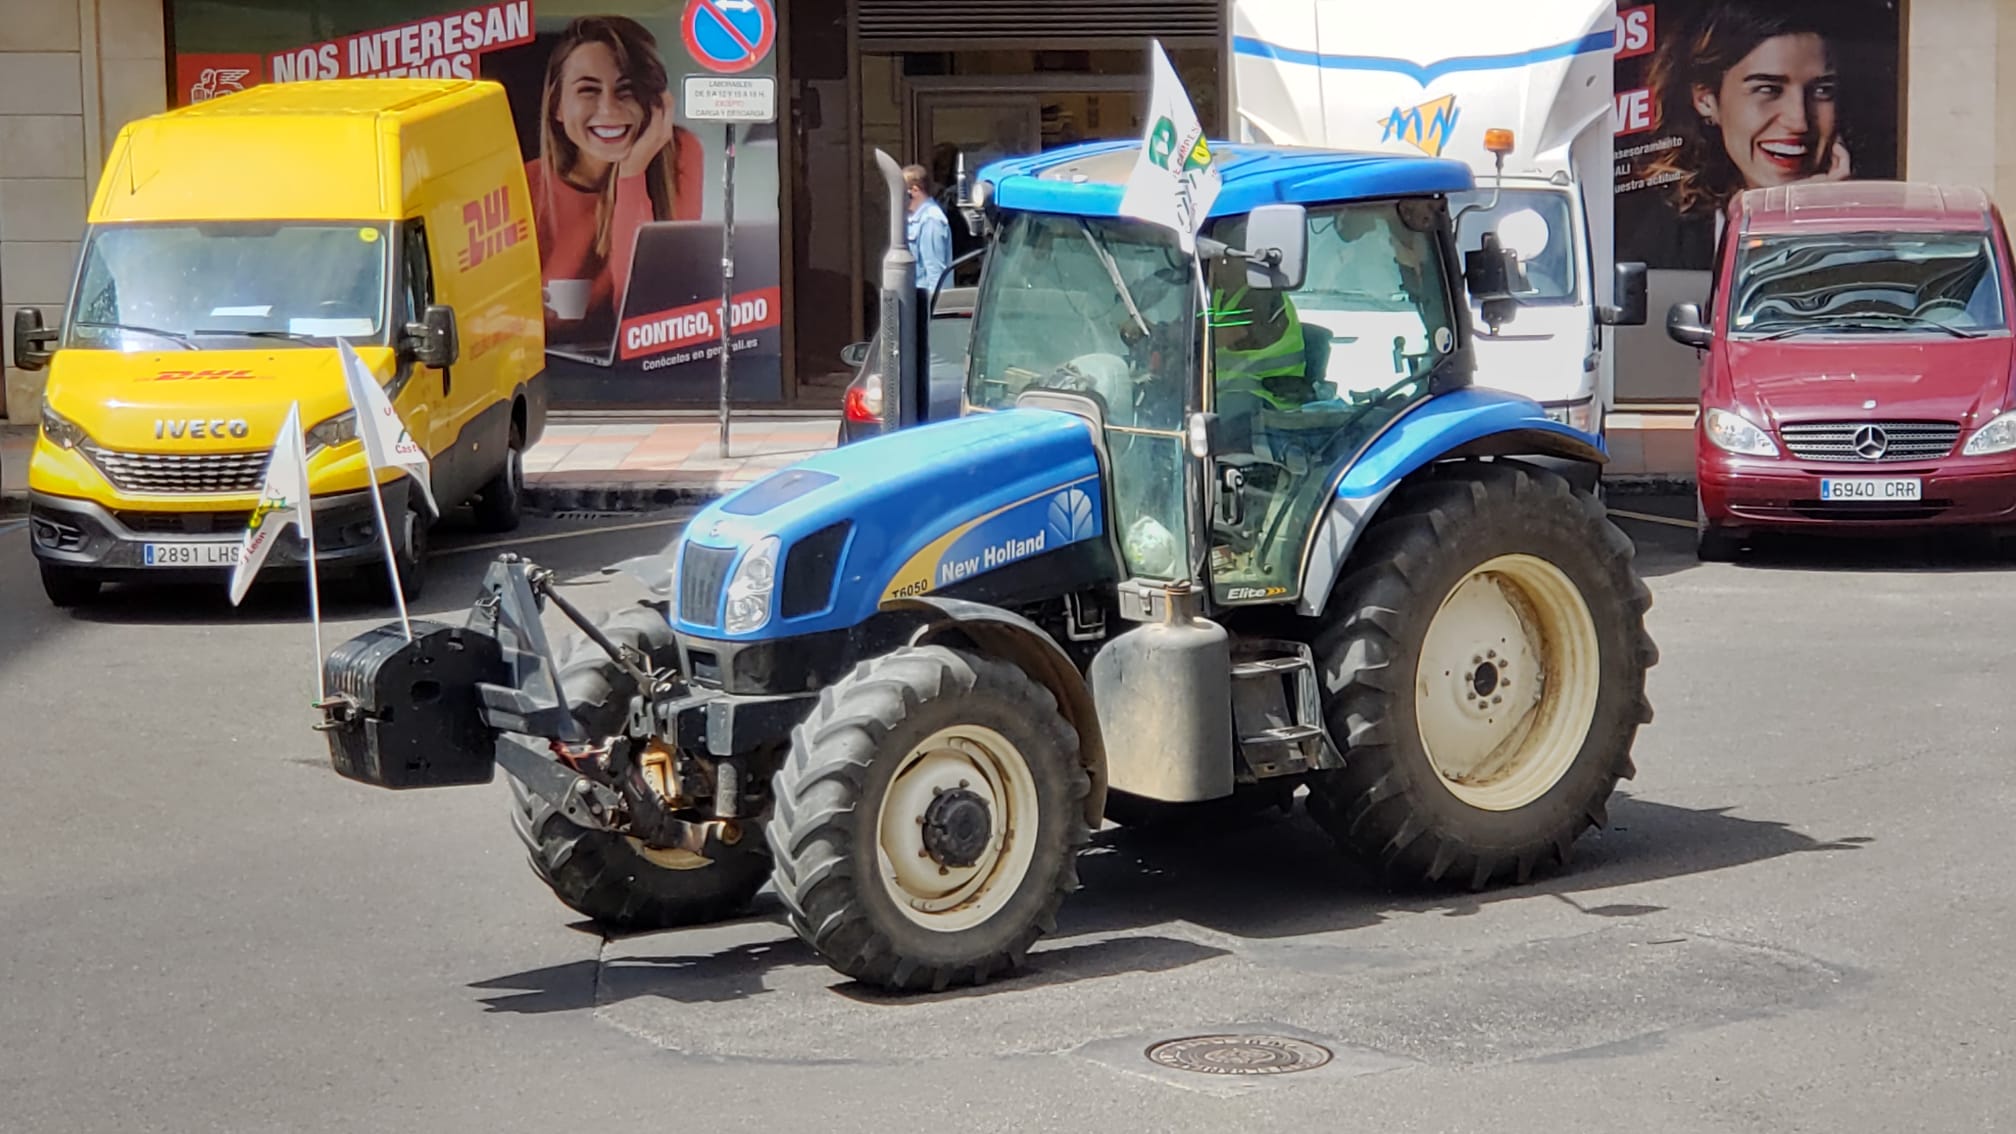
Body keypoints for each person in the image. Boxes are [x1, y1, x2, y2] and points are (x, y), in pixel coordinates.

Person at [524, 16, 704, 346]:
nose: (608, 109)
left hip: (645, 368)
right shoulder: (521, 184)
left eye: (626, 90)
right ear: (558, 107)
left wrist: (632, 171)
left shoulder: (679, 152)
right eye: (588, 90)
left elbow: (646, 313)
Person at [1629, 1, 1850, 265]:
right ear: (1707, 100)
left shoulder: (1866, 230)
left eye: (1821, 91)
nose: (1799, 121)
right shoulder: (1666, 235)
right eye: (1768, 89)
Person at [903, 164, 953, 296]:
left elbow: (935, 270)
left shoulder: (931, 220)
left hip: (926, 303)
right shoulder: (915, 218)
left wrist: (934, 310)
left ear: (914, 190)